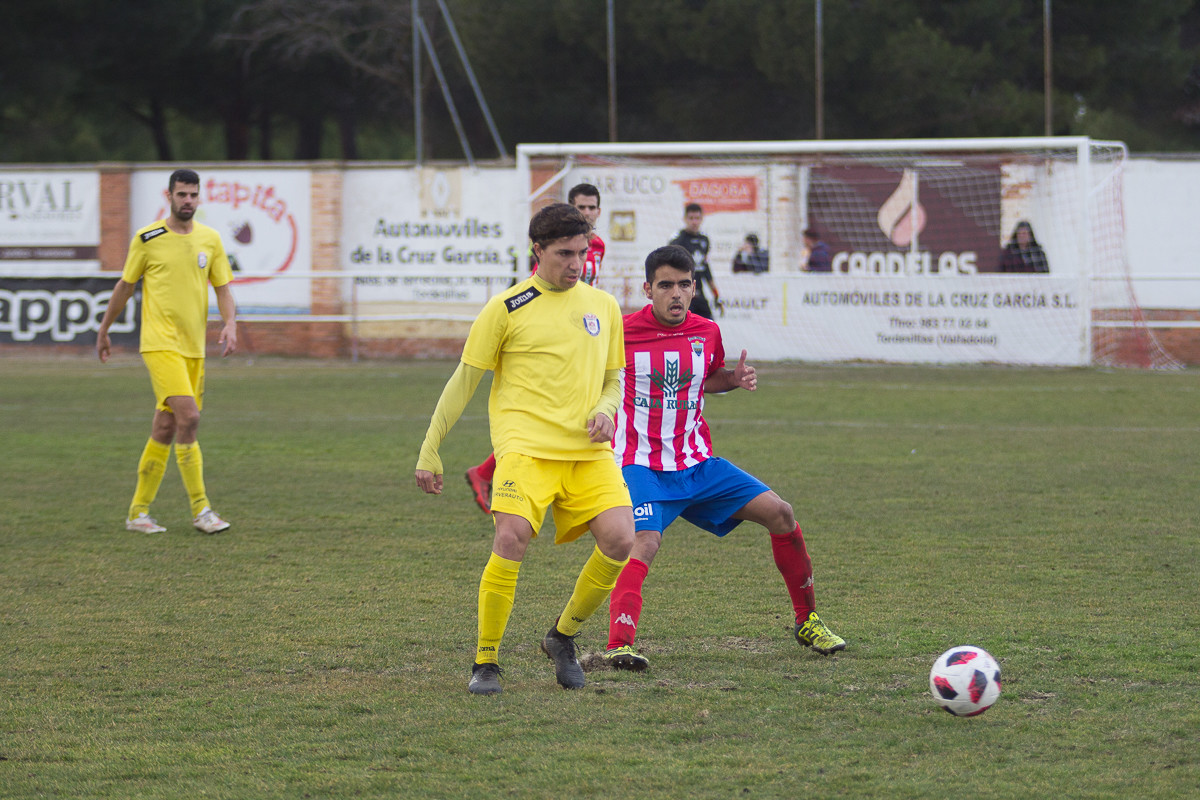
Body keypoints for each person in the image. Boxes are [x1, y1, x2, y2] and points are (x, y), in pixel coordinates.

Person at [415, 203, 635, 695]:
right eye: (564, 254)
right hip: (525, 449)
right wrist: (431, 449)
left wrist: (607, 409)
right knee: (511, 537)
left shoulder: (603, 307)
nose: (575, 264)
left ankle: (562, 638)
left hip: (587, 451)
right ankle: (486, 661)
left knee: (622, 539)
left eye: (581, 253)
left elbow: (613, 378)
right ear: (537, 250)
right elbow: (463, 381)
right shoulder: (506, 308)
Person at [603, 244, 846, 672]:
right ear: (647, 289)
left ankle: (807, 620)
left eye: (683, 285)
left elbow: (707, 379)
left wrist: (731, 379)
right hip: (641, 465)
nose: (676, 294)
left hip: (698, 463)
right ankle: (619, 644)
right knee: (645, 541)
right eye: (665, 285)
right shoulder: (619, 333)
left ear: (694, 287)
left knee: (782, 514)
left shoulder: (706, 331)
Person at [95, 168, 238, 535]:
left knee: (165, 426)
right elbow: (125, 286)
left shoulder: (210, 239)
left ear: (199, 197)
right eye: (181, 195)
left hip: (194, 348)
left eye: (193, 195)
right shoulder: (148, 237)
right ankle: (201, 509)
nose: (187, 201)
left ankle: (137, 513)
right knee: (188, 418)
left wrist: (230, 323)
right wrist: (105, 328)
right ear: (169, 196)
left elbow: (222, 287)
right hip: (159, 344)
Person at [463, 183, 607, 515]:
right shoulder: (551, 251)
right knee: (541, 420)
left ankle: (487, 473)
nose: (587, 213)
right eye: (581, 207)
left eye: (592, 207)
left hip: (585, 327)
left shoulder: (597, 245)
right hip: (558, 332)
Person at [669, 203, 722, 319]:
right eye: (691, 218)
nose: (694, 222)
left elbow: (705, 269)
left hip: (699, 294)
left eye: (697, 218)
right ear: (685, 219)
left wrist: (716, 294)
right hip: (683, 295)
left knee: (709, 326)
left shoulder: (704, 240)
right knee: (684, 330)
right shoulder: (678, 241)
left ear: (702, 219)